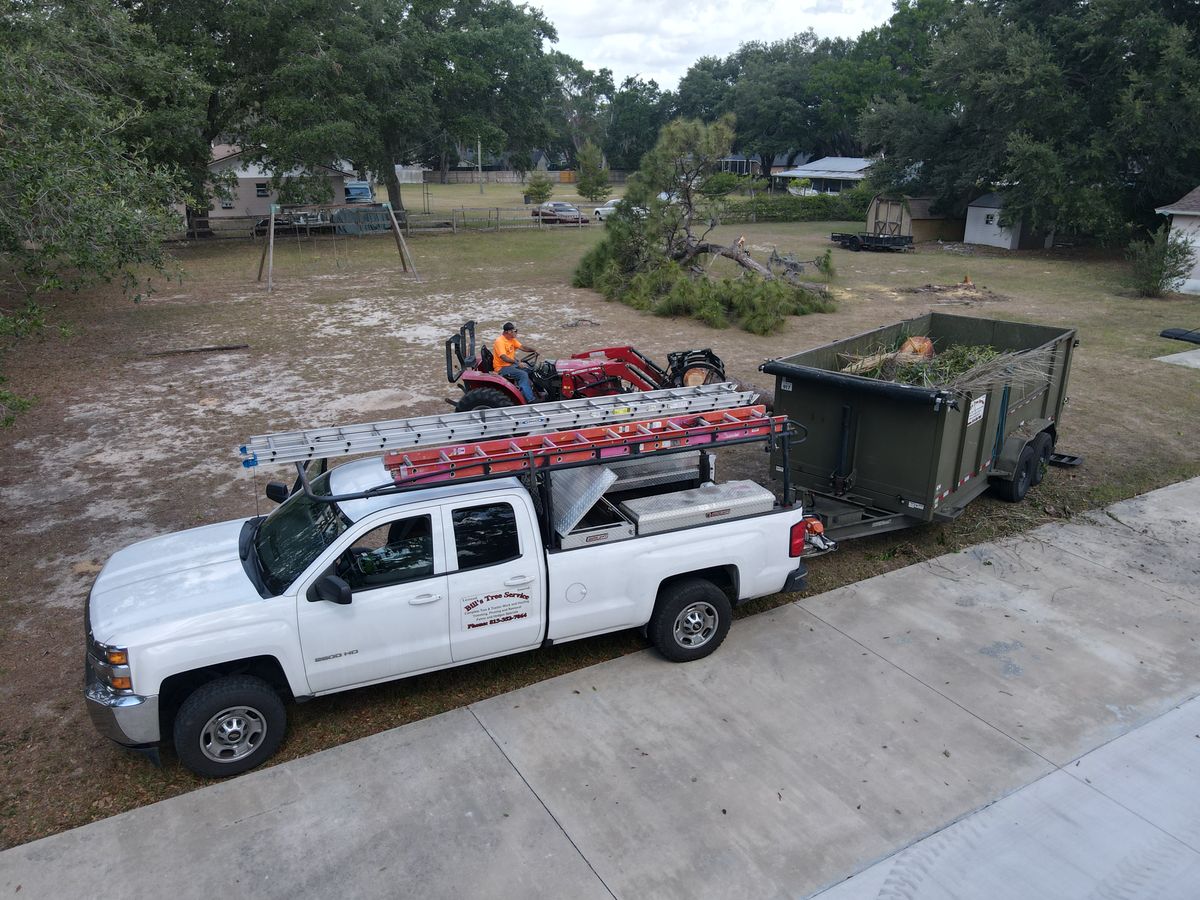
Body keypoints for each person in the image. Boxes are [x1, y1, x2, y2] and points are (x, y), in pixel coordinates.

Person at [492, 322, 539, 402]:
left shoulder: (511, 339)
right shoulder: (499, 341)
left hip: (510, 365)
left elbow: (523, 347)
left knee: (532, 369)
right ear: (508, 332)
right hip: (502, 368)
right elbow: (504, 357)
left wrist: (534, 350)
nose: (516, 333)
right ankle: (531, 399)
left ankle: (540, 392)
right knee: (523, 374)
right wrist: (517, 363)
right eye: (515, 331)